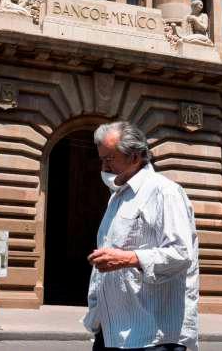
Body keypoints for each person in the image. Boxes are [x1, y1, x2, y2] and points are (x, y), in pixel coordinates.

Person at [83, 121, 199, 351]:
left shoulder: (165, 192)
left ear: (134, 157)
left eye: (110, 159)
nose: (104, 167)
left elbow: (181, 253)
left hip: (154, 335)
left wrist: (128, 259)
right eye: (102, 159)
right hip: (113, 330)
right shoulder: (117, 197)